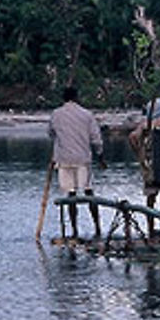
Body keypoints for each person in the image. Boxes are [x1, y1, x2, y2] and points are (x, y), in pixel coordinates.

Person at [48, 86, 106, 241]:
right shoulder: (86, 115)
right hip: (82, 159)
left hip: (64, 159)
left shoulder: (56, 114)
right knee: (89, 192)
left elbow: (51, 133)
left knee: (71, 194)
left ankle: (74, 230)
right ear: (76, 97)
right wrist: (100, 156)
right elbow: (96, 139)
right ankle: (98, 227)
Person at [128, 97, 160, 237]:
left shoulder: (145, 124)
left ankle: (151, 231)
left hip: (151, 165)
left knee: (150, 199)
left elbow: (132, 137)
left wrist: (139, 154)